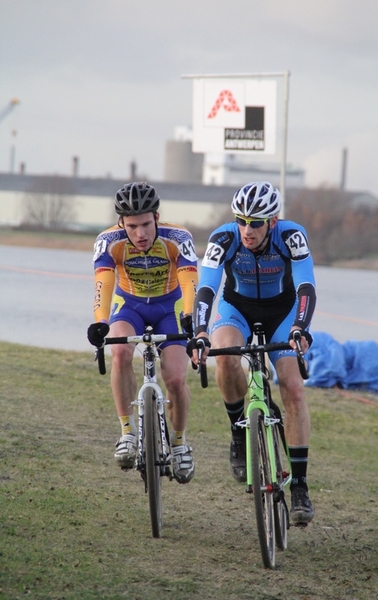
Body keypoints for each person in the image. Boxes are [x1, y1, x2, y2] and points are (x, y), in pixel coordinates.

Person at [187, 181, 316, 524]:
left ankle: (300, 485)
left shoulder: (291, 236)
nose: (247, 229)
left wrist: (300, 326)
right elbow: (206, 289)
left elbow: (306, 285)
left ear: (272, 221)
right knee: (225, 355)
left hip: (283, 313)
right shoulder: (224, 238)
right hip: (237, 310)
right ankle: (237, 431)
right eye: (242, 220)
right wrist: (200, 332)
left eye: (256, 222)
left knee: (292, 386)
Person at [87, 182, 198, 484]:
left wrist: (190, 315)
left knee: (175, 378)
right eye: (133, 226)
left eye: (146, 224)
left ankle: (178, 442)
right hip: (130, 306)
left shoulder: (178, 238)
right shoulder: (109, 241)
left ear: (157, 218)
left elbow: (190, 283)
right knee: (120, 352)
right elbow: (103, 285)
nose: (140, 234)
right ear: (121, 223)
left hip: (170, 307)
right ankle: (127, 431)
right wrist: (100, 321)